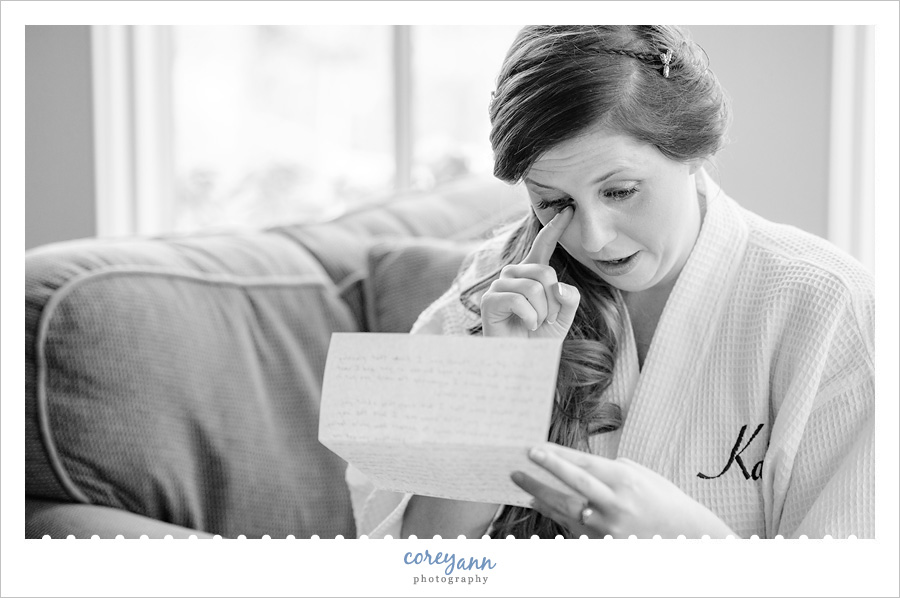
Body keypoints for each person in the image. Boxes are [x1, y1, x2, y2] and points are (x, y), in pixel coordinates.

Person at [346, 25, 875, 539]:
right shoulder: (490, 294)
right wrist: (502, 390)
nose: (594, 239)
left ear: (691, 148)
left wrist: (691, 543)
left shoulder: (828, 307)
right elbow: (412, 566)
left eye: (621, 191)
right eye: (554, 203)